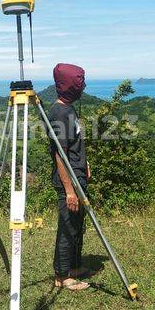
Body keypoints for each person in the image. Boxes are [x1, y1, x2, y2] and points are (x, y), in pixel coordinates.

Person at [48, 63, 91, 291]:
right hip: (69, 179)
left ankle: (74, 266)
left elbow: (73, 143)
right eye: (80, 81)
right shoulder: (59, 113)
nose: (83, 86)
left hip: (78, 173)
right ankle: (62, 274)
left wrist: (86, 164)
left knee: (77, 224)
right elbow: (59, 153)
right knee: (67, 225)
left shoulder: (69, 109)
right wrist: (69, 190)